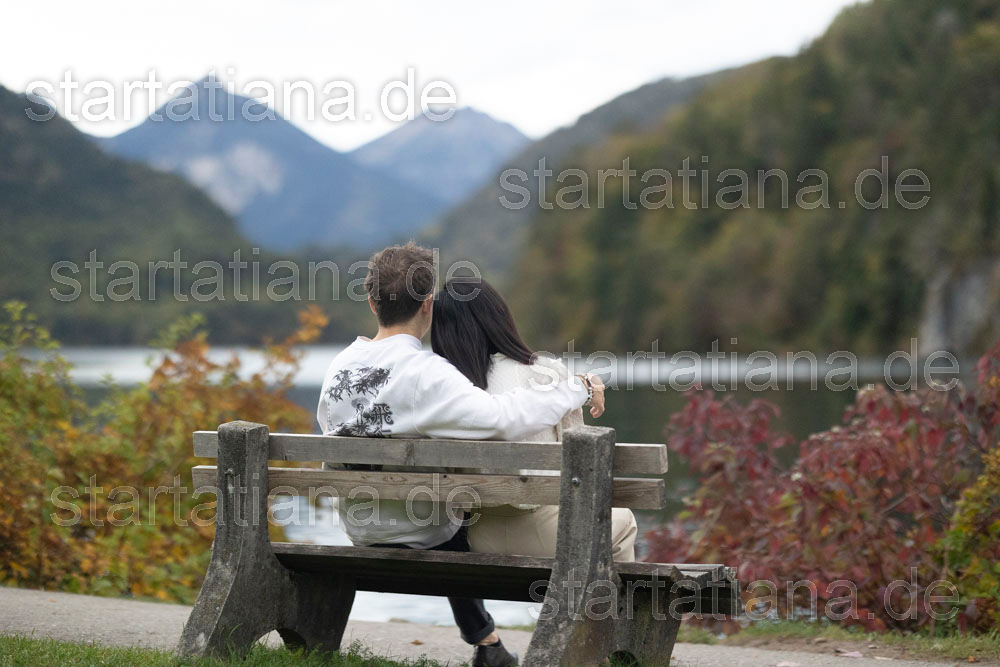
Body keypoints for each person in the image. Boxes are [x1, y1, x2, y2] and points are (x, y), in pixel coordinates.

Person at [316, 242, 605, 667]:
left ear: (373, 303)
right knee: (464, 508)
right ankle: (512, 642)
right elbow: (503, 419)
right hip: (425, 532)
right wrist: (576, 388)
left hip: (359, 528)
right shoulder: (428, 373)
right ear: (427, 305)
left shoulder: (338, 366)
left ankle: (488, 643)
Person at [431, 277, 637, 561]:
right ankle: (599, 592)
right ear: (498, 318)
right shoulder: (544, 372)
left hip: (476, 535)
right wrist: (585, 384)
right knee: (624, 521)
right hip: (545, 532)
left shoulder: (443, 387)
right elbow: (578, 466)